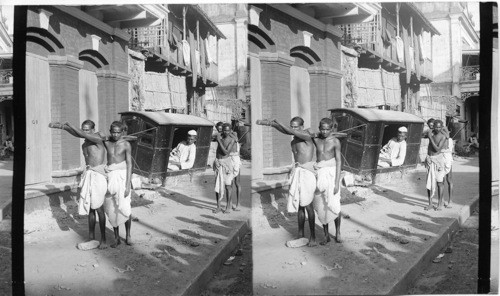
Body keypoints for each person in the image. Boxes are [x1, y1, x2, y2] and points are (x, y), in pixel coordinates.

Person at [48, 120, 108, 249]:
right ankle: (91, 237)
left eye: (87, 130)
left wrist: (69, 125)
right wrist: (63, 127)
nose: (85, 132)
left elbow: (79, 133)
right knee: (90, 208)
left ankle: (103, 239)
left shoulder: (97, 139)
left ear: (93, 130)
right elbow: (78, 134)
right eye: (83, 129)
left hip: (98, 176)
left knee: (99, 208)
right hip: (89, 174)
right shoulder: (85, 144)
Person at [259, 117, 318, 247]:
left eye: (296, 127)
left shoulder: (307, 136)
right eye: (292, 126)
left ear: (302, 127)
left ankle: (313, 237)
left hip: (307, 173)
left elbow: (287, 130)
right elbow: (285, 131)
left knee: (308, 206)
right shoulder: (294, 139)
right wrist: (270, 124)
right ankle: (300, 234)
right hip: (297, 171)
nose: (293, 129)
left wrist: (278, 121)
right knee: (300, 206)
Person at [311, 118, 342, 245]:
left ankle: (338, 232)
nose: (324, 131)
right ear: (319, 128)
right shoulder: (316, 140)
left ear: (331, 129)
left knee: (334, 204)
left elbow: (339, 161)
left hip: (331, 174)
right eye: (322, 129)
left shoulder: (335, 141)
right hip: (320, 173)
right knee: (321, 205)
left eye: (327, 129)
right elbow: (303, 133)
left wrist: (336, 182)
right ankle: (325, 235)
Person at [102, 121, 133, 247]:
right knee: (112, 208)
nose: (115, 134)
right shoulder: (107, 143)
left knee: (125, 207)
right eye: (113, 132)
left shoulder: (126, 144)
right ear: (110, 131)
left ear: (122, 132)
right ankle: (116, 238)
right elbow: (93, 137)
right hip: (110, 176)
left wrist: (127, 185)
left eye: (118, 132)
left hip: (122, 177)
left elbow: (129, 164)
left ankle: (128, 235)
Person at [423, 118, 454, 208]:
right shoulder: (431, 133)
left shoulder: (443, 136)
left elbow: (437, 149)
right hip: (430, 159)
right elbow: (422, 135)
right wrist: (428, 133)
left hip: (439, 160)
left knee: (440, 182)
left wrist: (430, 137)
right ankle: (430, 204)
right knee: (429, 182)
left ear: (441, 127)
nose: (436, 129)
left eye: (438, 127)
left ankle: (440, 203)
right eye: (434, 127)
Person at [213, 123, 238, 214]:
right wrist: (218, 138)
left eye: (228, 130)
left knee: (228, 186)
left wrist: (219, 141)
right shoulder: (220, 136)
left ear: (230, 131)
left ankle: (228, 206)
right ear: (221, 130)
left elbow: (226, 152)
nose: (226, 132)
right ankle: (218, 206)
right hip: (218, 162)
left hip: (226, 163)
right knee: (217, 185)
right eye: (224, 130)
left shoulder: (231, 140)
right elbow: (212, 137)